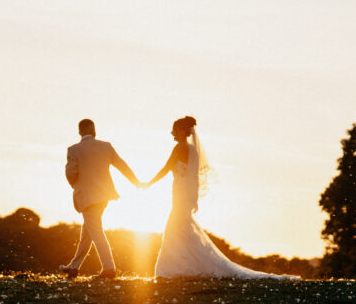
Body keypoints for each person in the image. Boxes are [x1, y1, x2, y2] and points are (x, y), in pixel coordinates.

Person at [143, 116, 297, 280]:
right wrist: (193, 199)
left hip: (180, 196)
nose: (172, 133)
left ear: (181, 131)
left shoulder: (179, 148)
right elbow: (193, 176)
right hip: (185, 196)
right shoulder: (192, 150)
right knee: (182, 231)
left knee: (175, 230)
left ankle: (176, 268)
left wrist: (148, 183)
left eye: (174, 129)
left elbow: (166, 169)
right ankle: (184, 266)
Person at [61, 118, 140, 279]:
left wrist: (77, 186)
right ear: (94, 131)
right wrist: (136, 182)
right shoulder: (106, 146)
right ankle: (74, 267)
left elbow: (70, 173)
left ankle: (109, 268)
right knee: (88, 231)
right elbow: (121, 165)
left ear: (79, 132)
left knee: (95, 231)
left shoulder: (73, 150)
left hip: (86, 196)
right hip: (103, 196)